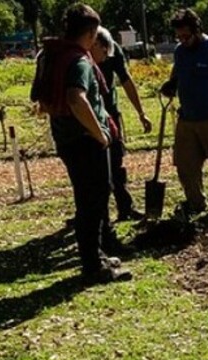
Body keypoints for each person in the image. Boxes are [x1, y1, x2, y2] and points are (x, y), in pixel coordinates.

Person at [30, 3, 131, 283]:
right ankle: (92, 266)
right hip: (86, 143)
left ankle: (95, 255)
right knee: (93, 204)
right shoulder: (79, 60)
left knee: (87, 200)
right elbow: (77, 99)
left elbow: (43, 101)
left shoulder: (52, 56)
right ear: (89, 32)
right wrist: (100, 133)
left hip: (66, 140)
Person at [160, 8, 208, 217]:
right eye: (179, 36)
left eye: (186, 36)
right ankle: (195, 203)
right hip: (187, 118)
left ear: (197, 30)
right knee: (185, 165)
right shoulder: (180, 51)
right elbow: (178, 71)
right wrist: (172, 84)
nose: (183, 40)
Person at [92, 27, 152, 223]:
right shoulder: (79, 54)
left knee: (116, 161)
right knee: (94, 168)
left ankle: (124, 207)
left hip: (110, 114)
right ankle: (95, 215)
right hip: (88, 116)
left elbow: (125, 80)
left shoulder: (112, 48)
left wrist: (141, 112)